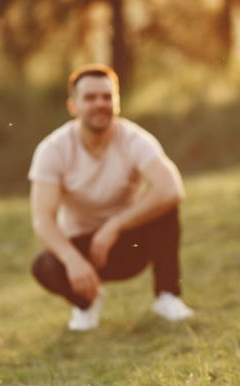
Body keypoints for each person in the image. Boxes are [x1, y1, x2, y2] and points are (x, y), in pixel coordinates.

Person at [29, 64, 194, 331]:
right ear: (73, 106)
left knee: (165, 208)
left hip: (128, 245)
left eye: (107, 97)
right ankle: (86, 303)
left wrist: (115, 225)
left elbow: (171, 188)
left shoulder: (133, 139)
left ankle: (167, 297)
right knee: (43, 265)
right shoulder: (52, 150)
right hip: (82, 250)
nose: (100, 104)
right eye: (90, 98)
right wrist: (72, 260)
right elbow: (42, 221)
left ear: (117, 102)